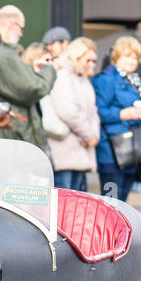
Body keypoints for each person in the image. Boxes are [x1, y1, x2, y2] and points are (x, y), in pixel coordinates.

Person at [0, 5, 56, 148]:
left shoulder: (4, 52)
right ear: (12, 25)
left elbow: (14, 84)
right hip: (15, 137)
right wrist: (49, 69)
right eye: (21, 28)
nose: (21, 34)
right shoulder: (4, 54)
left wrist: (32, 69)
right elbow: (33, 89)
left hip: (14, 135)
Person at [92, 36, 141, 200]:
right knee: (111, 202)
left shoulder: (135, 80)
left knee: (123, 201)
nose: (131, 61)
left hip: (132, 149)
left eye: (134, 57)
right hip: (112, 149)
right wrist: (122, 114)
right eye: (127, 56)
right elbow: (98, 111)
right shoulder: (106, 79)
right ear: (116, 57)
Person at [46, 37, 100, 194]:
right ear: (76, 57)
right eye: (88, 60)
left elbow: (93, 112)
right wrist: (89, 135)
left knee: (75, 204)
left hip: (80, 148)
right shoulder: (62, 74)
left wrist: (93, 136)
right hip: (64, 149)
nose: (91, 65)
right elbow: (68, 111)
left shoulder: (81, 78)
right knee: (63, 204)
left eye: (94, 61)